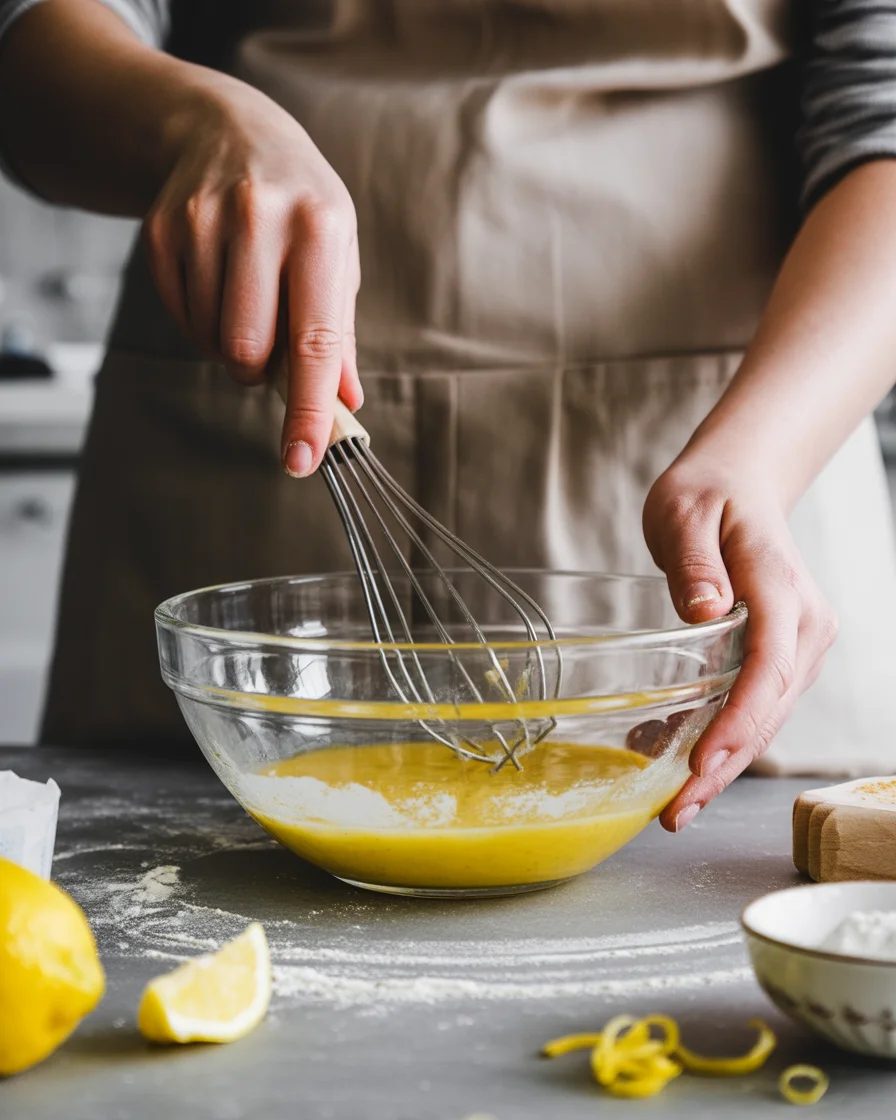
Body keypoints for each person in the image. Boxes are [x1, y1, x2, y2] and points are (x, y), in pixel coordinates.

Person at [1, 0, 895, 835]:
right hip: (246, 427)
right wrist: (192, 122)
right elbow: (34, 46)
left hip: (748, 421)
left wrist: (758, 461)